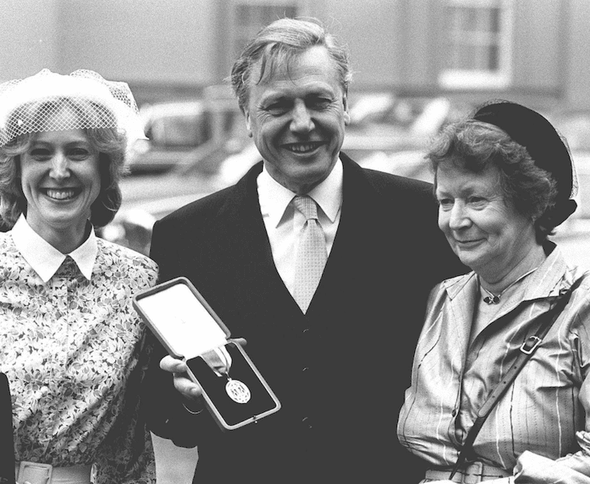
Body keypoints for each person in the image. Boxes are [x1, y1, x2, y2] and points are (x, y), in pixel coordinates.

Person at [142, 17, 466, 484]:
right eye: (277, 106)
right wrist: (186, 397)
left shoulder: (422, 217)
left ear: (346, 105)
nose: (302, 123)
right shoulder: (186, 234)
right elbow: (163, 412)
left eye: (318, 101)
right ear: (247, 116)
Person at [0, 69, 158, 484]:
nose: (60, 170)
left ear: (104, 166)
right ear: (15, 168)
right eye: (40, 153)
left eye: (78, 152)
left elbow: (132, 445)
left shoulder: (138, 281)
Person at [397, 100, 590, 484]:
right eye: (445, 201)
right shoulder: (441, 300)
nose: (456, 221)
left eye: (476, 200)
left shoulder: (580, 307)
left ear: (532, 203)